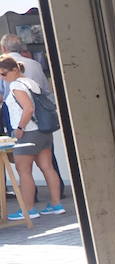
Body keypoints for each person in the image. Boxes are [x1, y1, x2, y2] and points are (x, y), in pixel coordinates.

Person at [1, 57, 63, 219]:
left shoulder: (15, 85)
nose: (2, 77)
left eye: (4, 73)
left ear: (14, 70)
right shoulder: (30, 82)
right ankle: (56, 204)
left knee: (24, 171)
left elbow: (28, 108)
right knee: (47, 167)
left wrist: (20, 127)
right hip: (43, 130)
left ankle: (28, 209)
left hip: (28, 132)